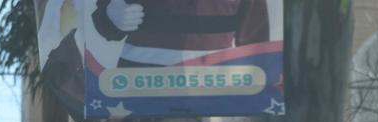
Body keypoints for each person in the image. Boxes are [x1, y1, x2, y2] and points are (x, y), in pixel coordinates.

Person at [94, 0, 270, 67]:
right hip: (139, 83)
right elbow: (102, 17)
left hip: (213, 87)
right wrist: (110, 15)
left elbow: (255, 42)